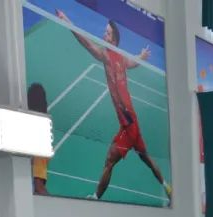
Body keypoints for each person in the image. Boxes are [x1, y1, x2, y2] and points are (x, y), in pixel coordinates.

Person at [56, 10, 172, 205]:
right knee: (147, 159)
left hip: (129, 123)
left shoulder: (109, 57)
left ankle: (96, 198)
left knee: (110, 160)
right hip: (131, 122)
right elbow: (133, 62)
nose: (104, 35)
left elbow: (86, 43)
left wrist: (67, 21)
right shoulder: (118, 57)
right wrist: (141, 56)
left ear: (115, 40)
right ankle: (169, 189)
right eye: (105, 32)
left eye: (108, 33)